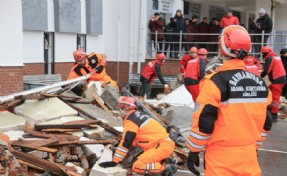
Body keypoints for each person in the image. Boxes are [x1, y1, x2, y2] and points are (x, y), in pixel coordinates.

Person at [186, 25, 272, 176]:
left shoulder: (214, 82)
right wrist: (255, 146)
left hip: (221, 159)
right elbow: (267, 122)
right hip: (249, 156)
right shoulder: (260, 83)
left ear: (222, 49)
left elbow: (204, 124)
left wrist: (194, 150)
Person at [99, 96, 176, 175]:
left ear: (126, 108)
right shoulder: (138, 116)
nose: (119, 109)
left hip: (160, 147)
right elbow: (136, 139)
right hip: (162, 145)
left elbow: (127, 142)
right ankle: (164, 161)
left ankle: (164, 168)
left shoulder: (131, 121)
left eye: (121, 107)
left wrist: (115, 161)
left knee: (137, 166)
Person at [261, 46, 286, 122]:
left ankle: (274, 115)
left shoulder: (269, 58)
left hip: (277, 80)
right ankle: (271, 111)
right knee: (270, 94)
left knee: (275, 97)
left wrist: (259, 76)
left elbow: (266, 70)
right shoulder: (275, 56)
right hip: (280, 78)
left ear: (264, 53)